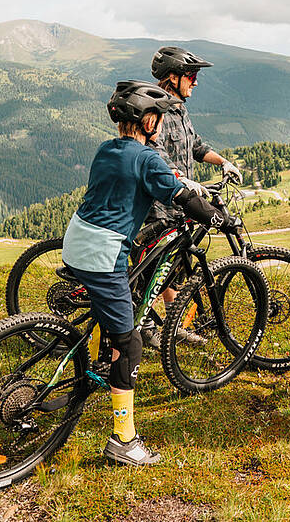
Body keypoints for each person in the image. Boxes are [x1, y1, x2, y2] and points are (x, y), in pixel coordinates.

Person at [61, 80, 232, 466]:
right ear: (149, 119)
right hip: (104, 256)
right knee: (132, 343)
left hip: (77, 242)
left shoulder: (107, 149)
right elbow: (181, 197)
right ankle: (124, 440)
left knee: (112, 308)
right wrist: (218, 217)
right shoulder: (148, 159)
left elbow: (130, 186)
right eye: (158, 116)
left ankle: (93, 365)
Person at [139, 46, 243, 349]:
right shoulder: (156, 111)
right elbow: (155, 153)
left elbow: (195, 145)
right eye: (191, 75)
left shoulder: (180, 108)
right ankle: (144, 327)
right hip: (161, 203)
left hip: (180, 200)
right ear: (173, 77)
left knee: (174, 267)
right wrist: (182, 179)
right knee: (153, 267)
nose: (195, 82)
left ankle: (172, 326)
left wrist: (223, 162)